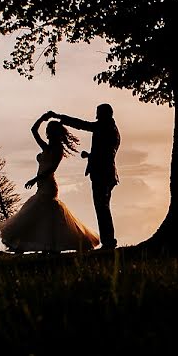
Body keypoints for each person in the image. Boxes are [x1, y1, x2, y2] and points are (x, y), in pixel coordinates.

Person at [0, 113, 99, 254]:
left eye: (49, 131)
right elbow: (34, 131)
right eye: (47, 131)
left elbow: (52, 168)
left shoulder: (58, 149)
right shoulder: (46, 147)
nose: (47, 134)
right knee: (42, 216)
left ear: (54, 133)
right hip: (41, 185)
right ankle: (38, 245)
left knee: (39, 213)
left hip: (48, 185)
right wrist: (42, 118)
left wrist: (35, 179)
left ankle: (41, 246)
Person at [49, 104, 120, 249]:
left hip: (103, 174)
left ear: (105, 114)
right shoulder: (110, 129)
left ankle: (109, 241)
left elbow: (82, 125)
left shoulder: (105, 128)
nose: (97, 116)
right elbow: (106, 152)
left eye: (99, 113)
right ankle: (108, 240)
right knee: (103, 207)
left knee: (102, 208)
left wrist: (60, 117)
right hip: (106, 173)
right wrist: (90, 155)